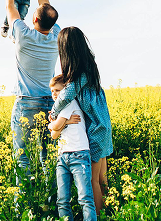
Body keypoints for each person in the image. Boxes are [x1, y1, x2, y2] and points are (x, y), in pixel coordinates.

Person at [5, 0, 76, 179]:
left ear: (34, 19)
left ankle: (23, 206)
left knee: (22, 157)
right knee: (49, 156)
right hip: (49, 103)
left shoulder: (23, 34)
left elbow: (11, 8)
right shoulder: (56, 37)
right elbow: (48, 10)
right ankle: (50, 198)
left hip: (26, 103)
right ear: (52, 23)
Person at [48, 26, 113, 213]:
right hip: (104, 126)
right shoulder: (90, 68)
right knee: (102, 179)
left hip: (95, 130)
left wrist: (53, 113)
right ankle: (111, 211)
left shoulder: (78, 76)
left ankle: (99, 215)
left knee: (93, 181)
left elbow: (66, 95)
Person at [48, 75, 97, 221]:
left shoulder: (68, 103)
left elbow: (55, 128)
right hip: (63, 156)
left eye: (57, 90)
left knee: (85, 199)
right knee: (62, 200)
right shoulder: (59, 109)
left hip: (78, 154)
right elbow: (54, 136)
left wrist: (52, 124)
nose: (54, 94)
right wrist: (67, 122)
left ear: (66, 90)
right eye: (52, 91)